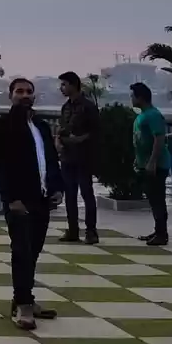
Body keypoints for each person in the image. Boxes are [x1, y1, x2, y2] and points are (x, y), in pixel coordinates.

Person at [0, 77, 63, 330]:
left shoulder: (41, 126)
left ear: (34, 96)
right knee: (22, 251)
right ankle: (24, 305)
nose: (24, 95)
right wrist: (11, 198)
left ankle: (23, 296)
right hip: (19, 200)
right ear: (10, 95)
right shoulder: (1, 127)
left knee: (34, 251)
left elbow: (50, 160)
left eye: (28, 91)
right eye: (19, 91)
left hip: (42, 198)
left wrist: (57, 188)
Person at [57, 71, 101, 245]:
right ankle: (72, 230)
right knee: (70, 195)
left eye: (64, 84)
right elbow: (62, 128)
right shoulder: (65, 107)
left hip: (83, 157)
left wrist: (80, 140)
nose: (61, 88)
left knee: (87, 193)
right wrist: (59, 140)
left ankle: (91, 231)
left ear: (73, 85)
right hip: (67, 157)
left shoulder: (88, 107)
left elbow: (96, 132)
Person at [131, 81, 171, 248]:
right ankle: (158, 230)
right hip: (145, 163)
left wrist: (153, 161)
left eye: (133, 96)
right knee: (153, 199)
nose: (131, 99)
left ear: (140, 97)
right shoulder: (142, 115)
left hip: (156, 165)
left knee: (158, 198)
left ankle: (162, 234)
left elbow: (159, 138)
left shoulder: (153, 115)